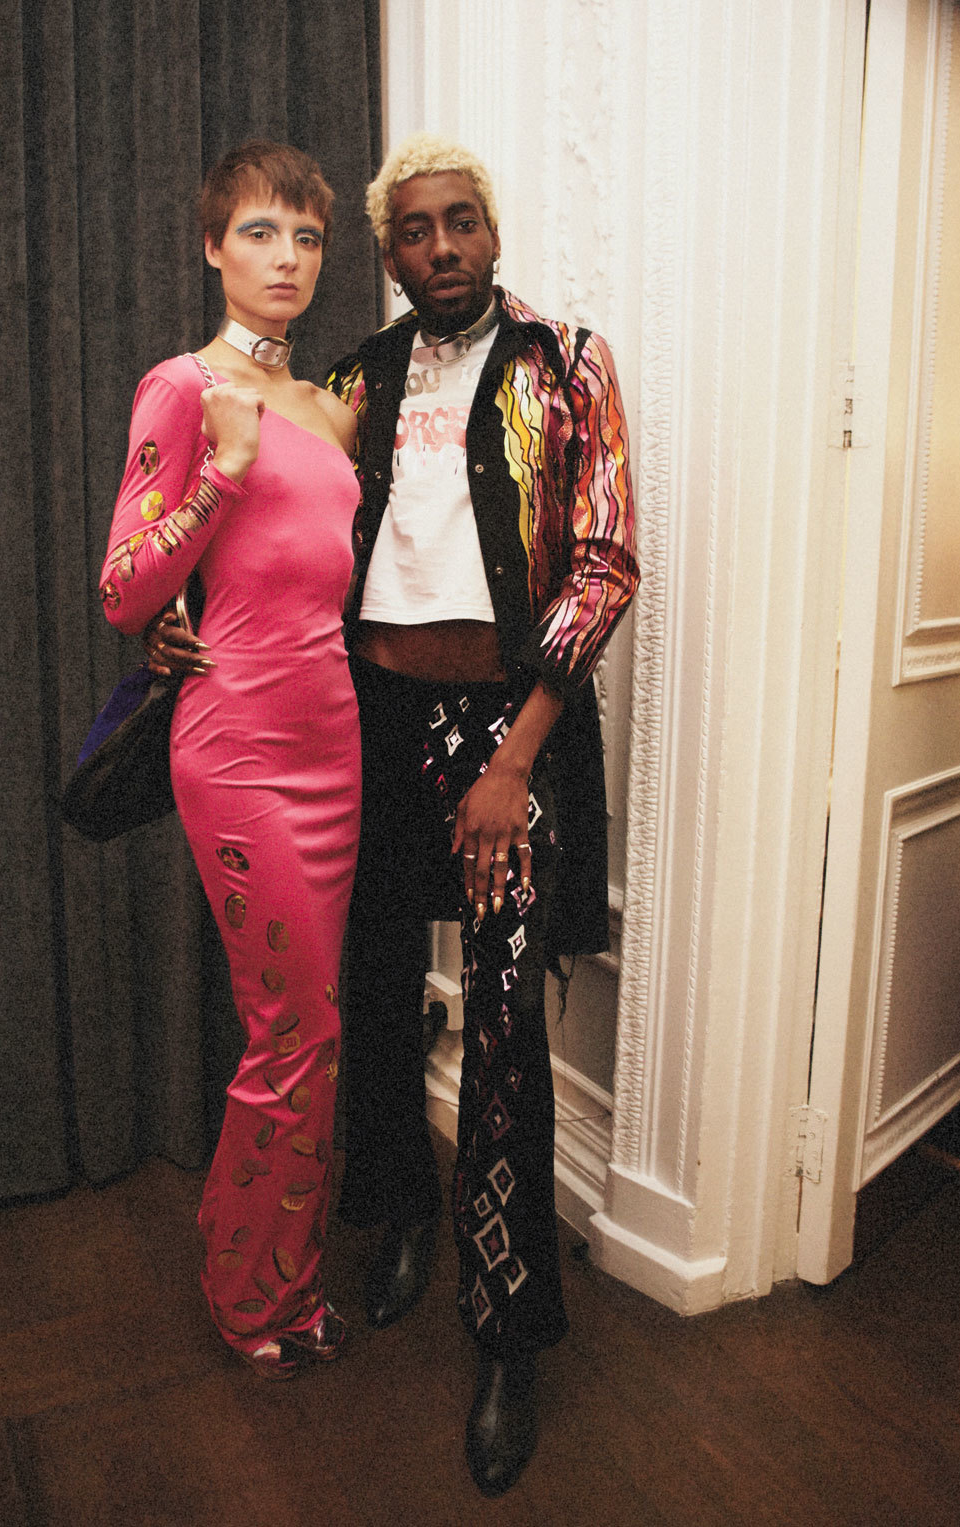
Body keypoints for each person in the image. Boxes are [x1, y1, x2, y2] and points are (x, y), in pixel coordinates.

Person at [327, 133, 638, 1495]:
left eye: (461, 221)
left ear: (493, 231)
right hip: (371, 722)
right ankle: (400, 1211)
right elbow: (287, 533)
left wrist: (513, 762)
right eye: (415, 229)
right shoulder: (355, 378)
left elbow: (604, 562)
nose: (441, 245)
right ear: (390, 251)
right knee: (378, 981)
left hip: (505, 733)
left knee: (506, 1021)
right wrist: (175, 614)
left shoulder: (568, 363)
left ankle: (509, 1322)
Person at [99, 141, 360, 1380]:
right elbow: (123, 588)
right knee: (293, 1027)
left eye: (307, 237)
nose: (286, 259)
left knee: (311, 1027)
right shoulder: (183, 388)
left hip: (335, 742)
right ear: (213, 247)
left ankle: (262, 1261)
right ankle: (256, 1296)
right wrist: (226, 473)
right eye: (260, 232)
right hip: (238, 746)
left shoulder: (333, 409)